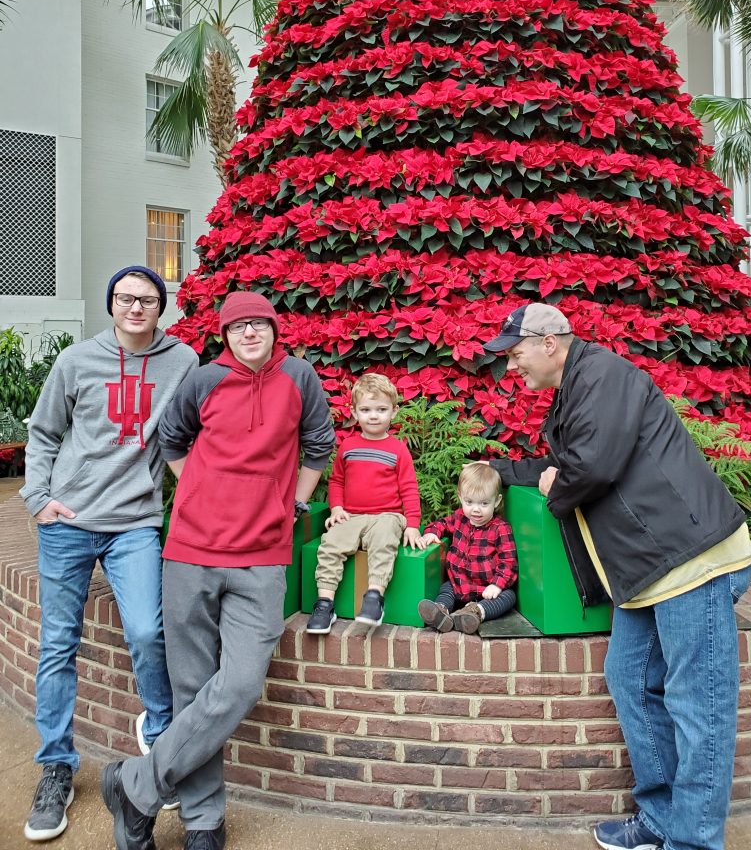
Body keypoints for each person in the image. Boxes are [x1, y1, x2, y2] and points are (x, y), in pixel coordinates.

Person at [482, 302, 751, 850]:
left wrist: (556, 487)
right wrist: (502, 472)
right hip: (647, 573)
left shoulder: (603, 375)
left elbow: (592, 467)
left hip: (689, 562)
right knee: (630, 680)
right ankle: (660, 820)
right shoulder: (578, 387)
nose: (511, 367)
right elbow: (569, 463)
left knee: (697, 705)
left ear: (549, 343)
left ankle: (695, 841)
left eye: (514, 354)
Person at [100, 289, 335, 850]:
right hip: (191, 551)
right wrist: (203, 492)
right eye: (238, 327)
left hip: (262, 557)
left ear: (275, 330)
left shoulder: (299, 378)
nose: (250, 333)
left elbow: (319, 446)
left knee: (240, 683)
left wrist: (291, 503)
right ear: (225, 336)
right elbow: (173, 440)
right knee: (191, 688)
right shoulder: (204, 380)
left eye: (259, 324)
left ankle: (136, 783)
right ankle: (203, 821)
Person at [20, 266, 198, 842]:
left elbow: (200, 431)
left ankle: (160, 752)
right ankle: (56, 768)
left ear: (161, 306)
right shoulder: (76, 361)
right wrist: (39, 499)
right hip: (68, 522)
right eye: (125, 298)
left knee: (148, 631)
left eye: (147, 299)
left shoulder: (183, 362)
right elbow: (44, 432)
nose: (135, 308)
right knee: (57, 643)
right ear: (111, 303)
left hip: (135, 523)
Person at [305, 373, 423, 634]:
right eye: (366, 409)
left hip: (387, 515)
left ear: (393, 412)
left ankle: (374, 598)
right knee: (330, 545)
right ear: (354, 412)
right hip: (352, 515)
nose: (373, 416)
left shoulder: (398, 449)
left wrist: (412, 525)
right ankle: (325, 604)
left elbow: (409, 489)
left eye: (381, 410)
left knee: (384, 542)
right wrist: (336, 508)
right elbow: (336, 481)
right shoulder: (348, 446)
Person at [418, 462, 517, 634]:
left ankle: (475, 613)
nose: (476, 510)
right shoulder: (459, 518)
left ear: (497, 501)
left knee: (508, 597)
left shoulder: (500, 528)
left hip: (487, 590)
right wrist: (432, 533)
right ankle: (441, 611)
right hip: (459, 584)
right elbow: (441, 524)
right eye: (469, 502)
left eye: (484, 503)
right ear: (460, 497)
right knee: (446, 589)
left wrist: (497, 585)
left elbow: (509, 562)